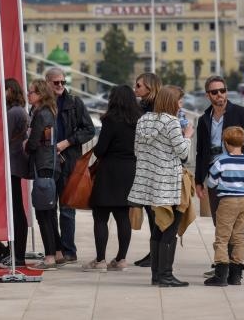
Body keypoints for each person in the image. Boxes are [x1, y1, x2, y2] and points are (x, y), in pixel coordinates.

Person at [195, 74, 244, 278]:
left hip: (235, 175)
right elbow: (201, 151)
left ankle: (234, 268)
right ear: (208, 95)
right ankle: (223, 264)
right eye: (215, 92)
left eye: (222, 90)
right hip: (215, 175)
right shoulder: (204, 119)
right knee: (220, 223)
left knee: (236, 226)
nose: (220, 95)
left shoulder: (242, 113)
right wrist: (199, 180)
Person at [127, 85, 192, 287]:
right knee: (170, 227)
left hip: (149, 183)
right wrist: (188, 135)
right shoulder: (172, 122)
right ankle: (166, 275)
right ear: (172, 102)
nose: (181, 106)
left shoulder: (143, 120)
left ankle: (157, 275)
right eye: (180, 101)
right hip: (169, 182)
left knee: (157, 227)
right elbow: (183, 154)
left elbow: (137, 150)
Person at [82, 85, 138, 272]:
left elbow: (100, 150)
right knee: (123, 216)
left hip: (109, 171)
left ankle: (100, 260)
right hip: (130, 171)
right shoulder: (138, 121)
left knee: (100, 216)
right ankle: (121, 259)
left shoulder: (111, 120)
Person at [45, 67, 95, 264]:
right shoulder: (42, 104)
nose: (60, 86)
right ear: (47, 82)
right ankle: (55, 249)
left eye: (63, 82)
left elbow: (89, 130)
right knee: (48, 208)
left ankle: (68, 251)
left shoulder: (75, 103)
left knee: (66, 208)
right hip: (47, 161)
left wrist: (67, 142)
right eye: (56, 82)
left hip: (69, 161)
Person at [203, 126, 244, 286]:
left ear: (225, 143)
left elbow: (211, 182)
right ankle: (235, 275)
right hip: (243, 202)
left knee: (222, 237)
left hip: (227, 202)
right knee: (239, 237)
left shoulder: (221, 161)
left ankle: (220, 275)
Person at [0, 78, 31, 268]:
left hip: (12, 165)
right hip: (17, 164)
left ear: (9, 91)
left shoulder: (13, 113)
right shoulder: (21, 112)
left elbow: (2, 137)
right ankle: (16, 253)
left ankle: (17, 254)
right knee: (17, 210)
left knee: (15, 211)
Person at [25, 78, 60, 271]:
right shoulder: (49, 112)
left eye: (31, 92)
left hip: (43, 166)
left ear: (40, 95)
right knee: (49, 211)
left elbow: (33, 143)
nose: (28, 95)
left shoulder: (41, 115)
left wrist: (25, 144)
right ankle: (57, 251)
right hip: (50, 165)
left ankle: (49, 256)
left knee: (43, 213)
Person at [132, 72, 162, 268]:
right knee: (150, 211)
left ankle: (157, 254)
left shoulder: (155, 109)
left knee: (155, 213)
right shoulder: (142, 107)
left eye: (139, 86)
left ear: (150, 88)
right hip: (145, 165)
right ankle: (154, 251)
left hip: (155, 167)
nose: (136, 89)